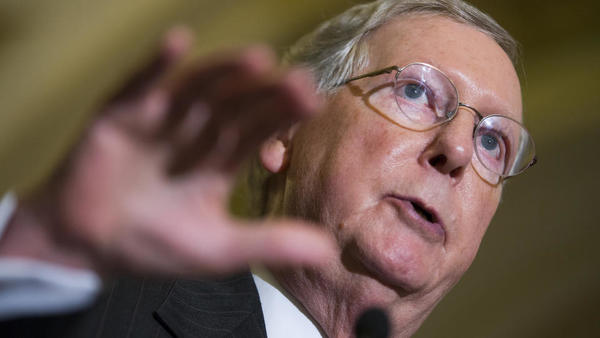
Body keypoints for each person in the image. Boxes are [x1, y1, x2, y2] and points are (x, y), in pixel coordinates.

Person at [0, 0, 536, 337]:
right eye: (416, 92)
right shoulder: (105, 308)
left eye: (492, 142)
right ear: (285, 129)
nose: (459, 151)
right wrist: (43, 244)